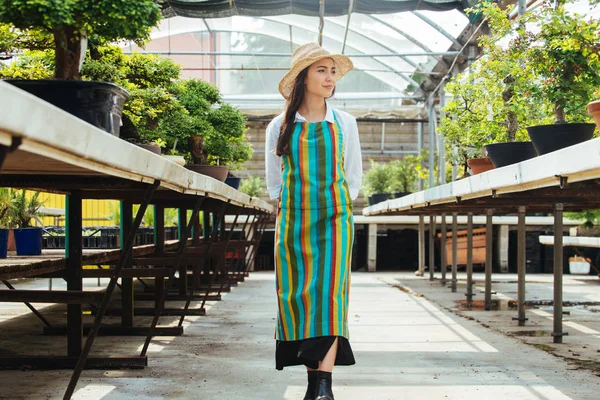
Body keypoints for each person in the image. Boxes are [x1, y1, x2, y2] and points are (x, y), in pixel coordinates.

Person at [265, 42, 363, 400]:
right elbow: (274, 182)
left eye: (332, 71)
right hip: (293, 222)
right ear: (303, 78)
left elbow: (353, 177)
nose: (329, 77)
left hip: (335, 220)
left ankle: (324, 386)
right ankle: (313, 386)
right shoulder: (279, 126)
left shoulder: (345, 123)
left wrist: (336, 205)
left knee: (330, 298)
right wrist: (295, 209)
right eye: (321, 70)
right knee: (300, 299)